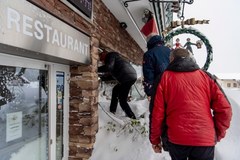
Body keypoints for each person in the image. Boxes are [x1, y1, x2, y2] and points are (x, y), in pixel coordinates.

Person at [149, 48, 232, 160]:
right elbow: (225, 109)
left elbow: (156, 114)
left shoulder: (164, 78)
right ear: (190, 58)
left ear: (172, 59)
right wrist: (217, 133)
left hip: (176, 139)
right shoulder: (206, 77)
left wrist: (155, 140)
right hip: (204, 138)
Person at [98, 51, 137, 119]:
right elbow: (111, 76)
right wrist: (101, 77)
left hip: (126, 78)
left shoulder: (110, 56)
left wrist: (95, 69)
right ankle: (112, 111)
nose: (102, 63)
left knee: (122, 100)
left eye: (102, 61)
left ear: (104, 57)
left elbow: (108, 67)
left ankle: (132, 117)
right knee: (116, 90)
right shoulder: (116, 61)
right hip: (129, 76)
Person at [142, 35, 171, 99]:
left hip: (160, 86)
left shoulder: (149, 54)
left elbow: (148, 73)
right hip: (173, 85)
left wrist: (149, 91)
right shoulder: (170, 50)